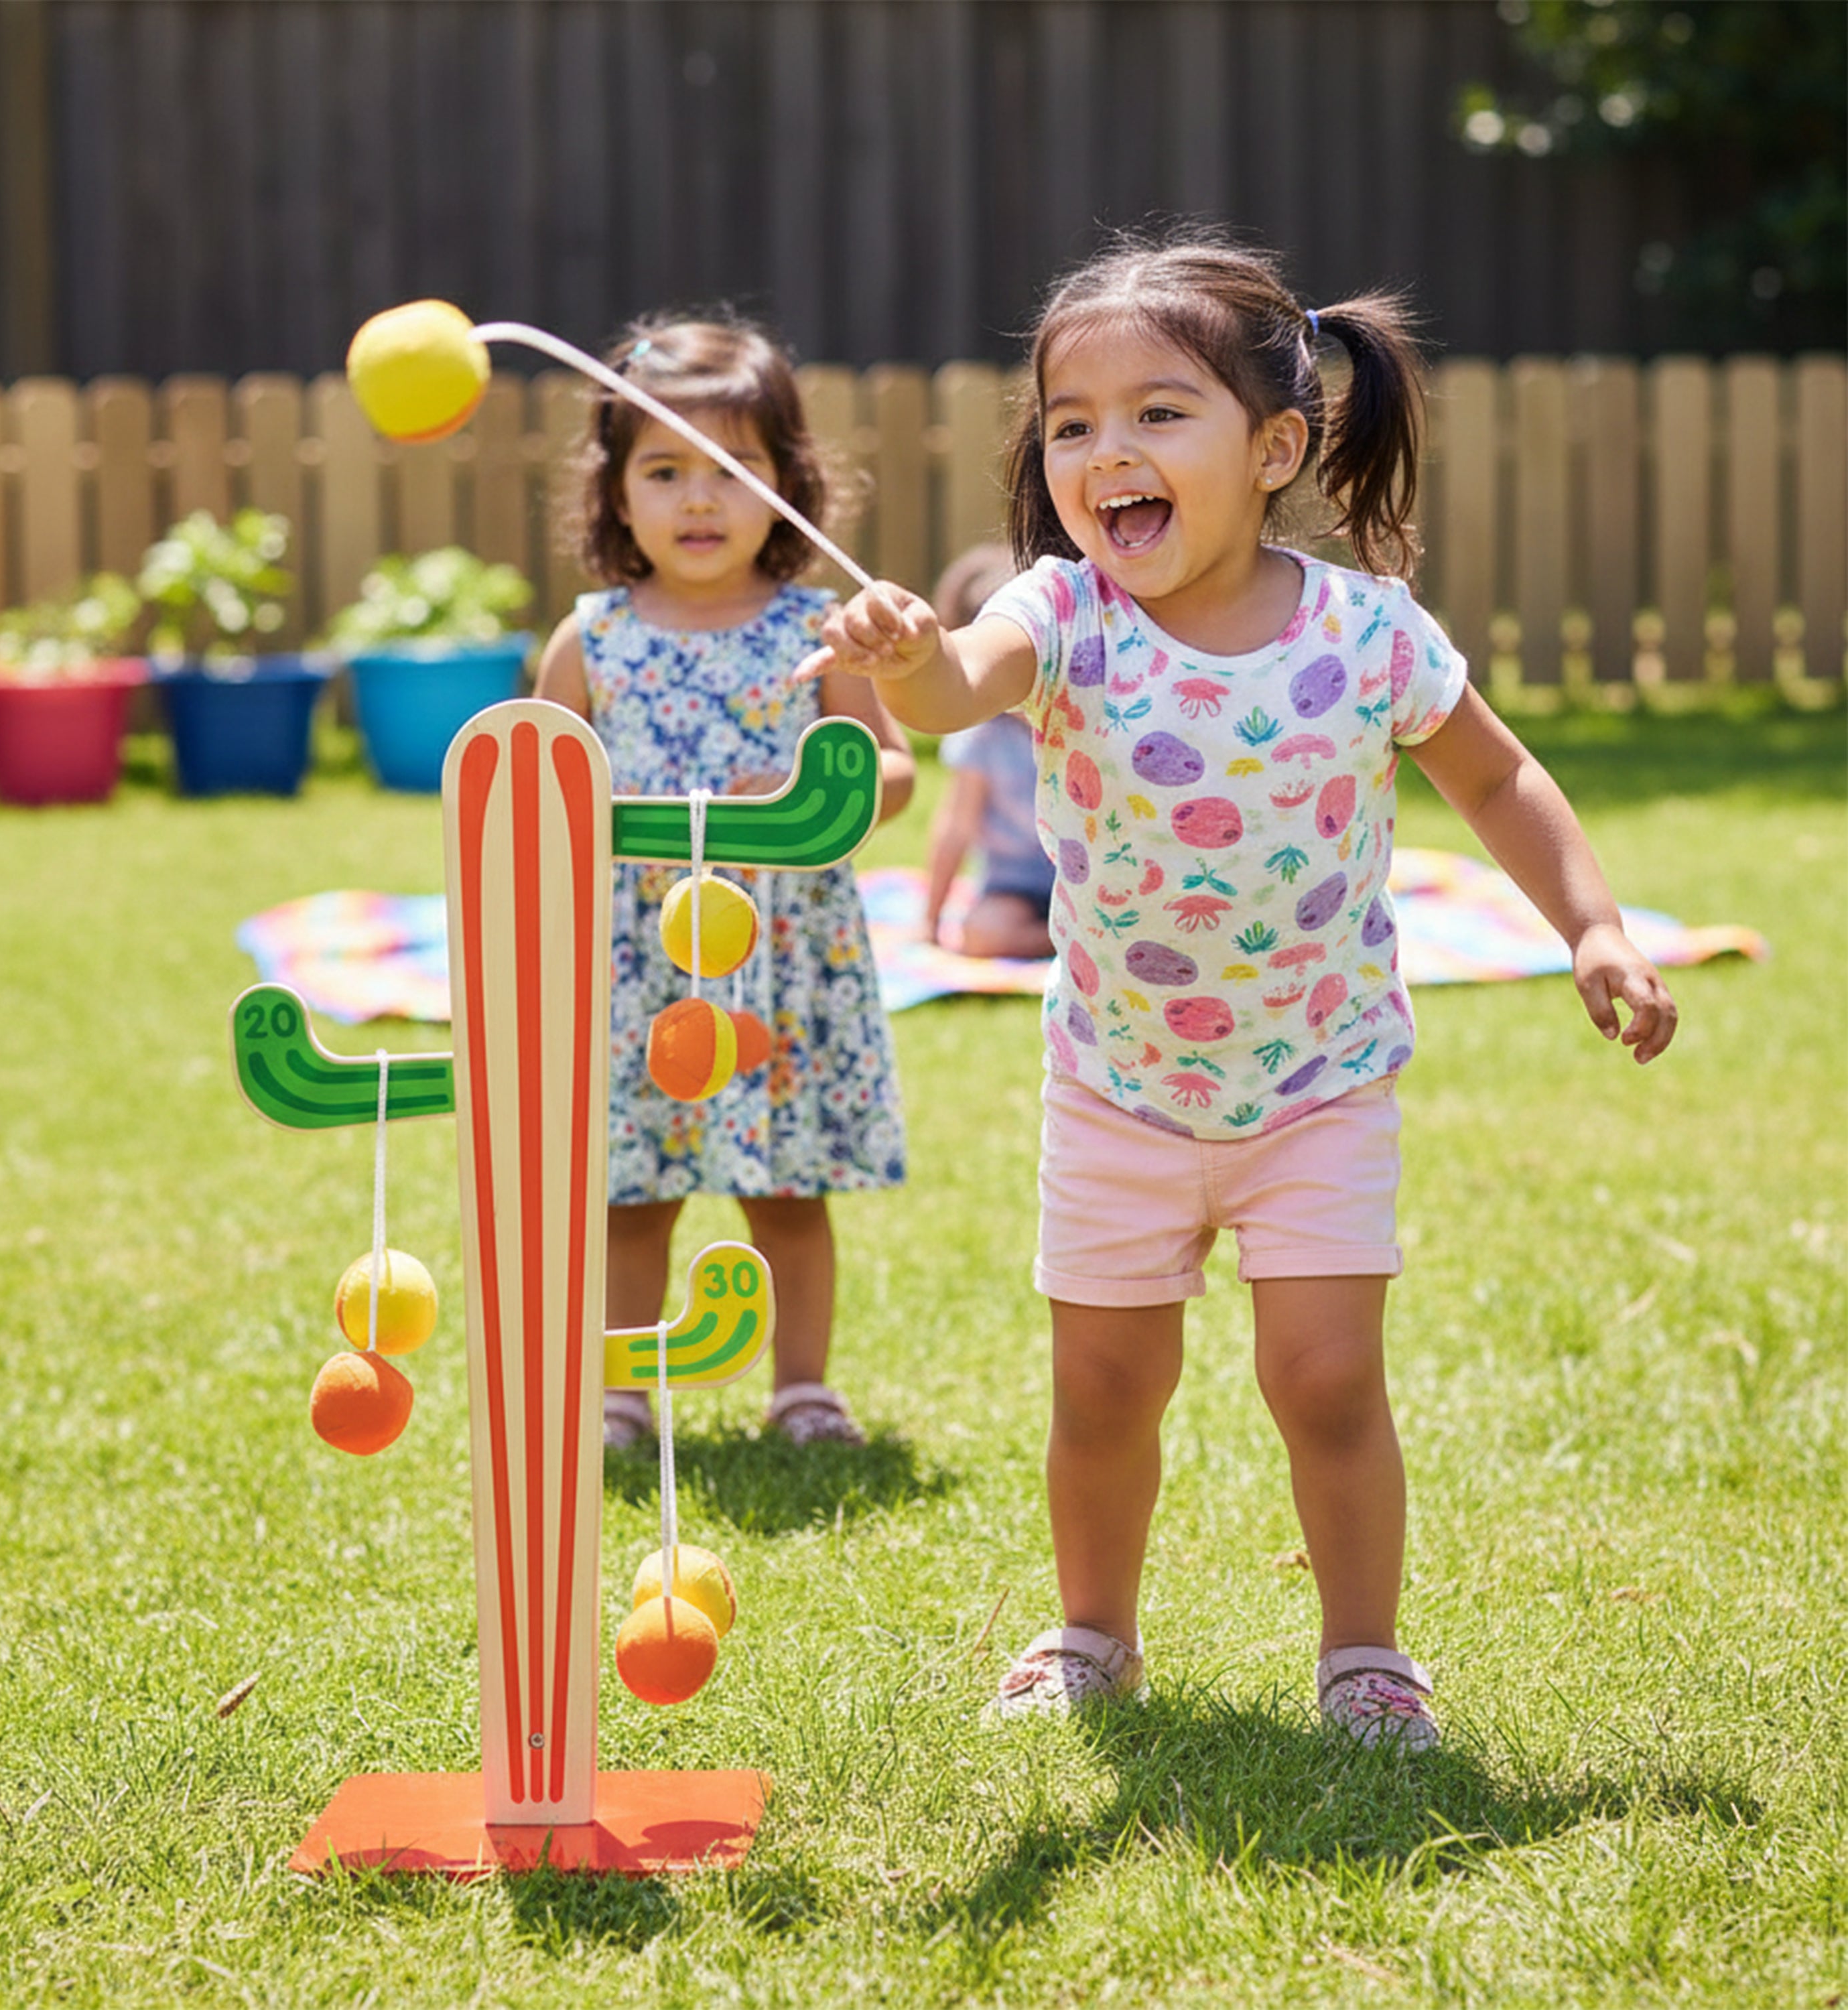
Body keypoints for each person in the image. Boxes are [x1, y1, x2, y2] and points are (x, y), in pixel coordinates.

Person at [801, 224, 1677, 1740]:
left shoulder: (1362, 631)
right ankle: (1091, 1629)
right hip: (1116, 1090)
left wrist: (1588, 923)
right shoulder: (1060, 615)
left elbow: (1498, 777)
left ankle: (1361, 1652)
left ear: (1272, 445)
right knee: (1101, 1388)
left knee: (1326, 1377)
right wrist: (901, 659)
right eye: (1070, 423)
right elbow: (952, 690)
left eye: (1156, 412)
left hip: (1318, 1085)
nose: (1105, 451)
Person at [535, 312, 914, 1453]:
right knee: (632, 1191)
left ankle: (802, 1388)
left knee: (787, 1190)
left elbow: (890, 773)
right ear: (616, 496)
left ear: (790, 486)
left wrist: (823, 780)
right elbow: (537, 792)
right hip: (639, 959)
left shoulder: (818, 632)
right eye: (665, 472)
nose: (699, 500)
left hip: (781, 960)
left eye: (734, 470)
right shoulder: (590, 639)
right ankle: (621, 1392)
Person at [921, 545, 1055, 960]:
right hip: (1015, 888)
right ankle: (1064, 943)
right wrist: (931, 918)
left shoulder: (1076, 716)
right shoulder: (983, 736)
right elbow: (955, 827)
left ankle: (1083, 937)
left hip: (1084, 883)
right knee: (982, 936)